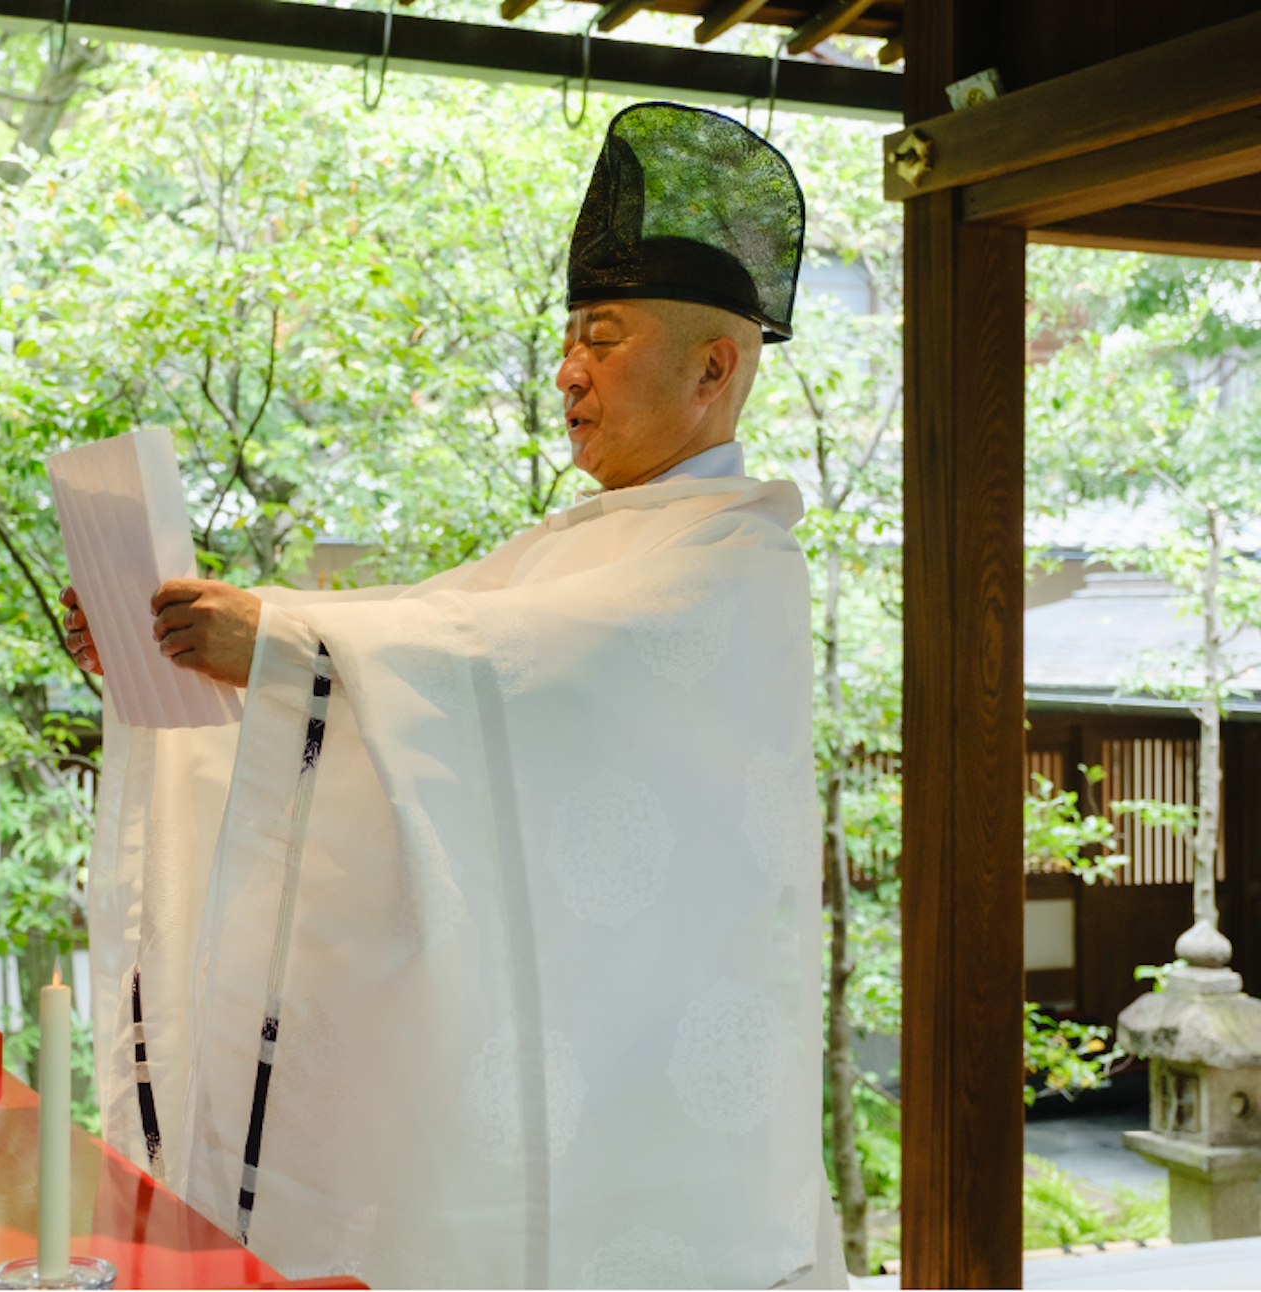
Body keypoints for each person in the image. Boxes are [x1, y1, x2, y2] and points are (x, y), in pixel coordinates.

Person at [61, 103, 844, 1289]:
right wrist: (182, 647)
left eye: (606, 336)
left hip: (654, 1116)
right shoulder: (572, 545)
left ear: (713, 365)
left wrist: (274, 643)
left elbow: (501, 661)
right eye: (570, 337)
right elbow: (419, 635)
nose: (569, 371)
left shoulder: (732, 566)